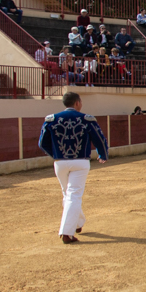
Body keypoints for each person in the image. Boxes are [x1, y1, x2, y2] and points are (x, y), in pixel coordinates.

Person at [38, 92, 108, 244]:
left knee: (68, 194)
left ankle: (77, 223)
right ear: (77, 103)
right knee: (73, 194)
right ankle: (66, 232)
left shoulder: (51, 119)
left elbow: (42, 143)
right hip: (80, 162)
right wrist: (103, 153)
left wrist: (56, 154)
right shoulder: (86, 119)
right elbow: (99, 138)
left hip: (60, 162)